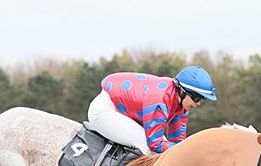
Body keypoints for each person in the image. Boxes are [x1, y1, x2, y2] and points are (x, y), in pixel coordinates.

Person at [87, 66, 217, 155]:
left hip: (125, 113)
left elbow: (177, 142)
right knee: (146, 146)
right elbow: (154, 144)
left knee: (166, 146)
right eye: (196, 98)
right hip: (105, 110)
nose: (198, 103)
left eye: (202, 99)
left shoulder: (181, 105)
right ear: (182, 91)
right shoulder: (160, 97)